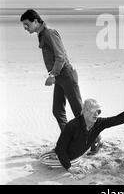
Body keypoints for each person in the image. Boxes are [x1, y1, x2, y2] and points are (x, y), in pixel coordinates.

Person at [20, 9, 101, 154]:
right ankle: (69, 140)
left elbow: (60, 57)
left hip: (67, 76)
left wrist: (52, 75)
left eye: (27, 24)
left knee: (80, 113)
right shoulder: (42, 35)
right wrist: (54, 76)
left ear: (36, 21)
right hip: (59, 78)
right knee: (57, 111)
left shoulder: (50, 33)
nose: (25, 28)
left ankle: (96, 140)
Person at [42, 95, 124, 174]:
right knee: (57, 151)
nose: (96, 114)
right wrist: (69, 168)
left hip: (76, 157)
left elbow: (118, 119)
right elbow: (61, 148)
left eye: (98, 111)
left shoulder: (98, 123)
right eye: (93, 111)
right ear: (85, 111)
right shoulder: (72, 126)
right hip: (64, 158)